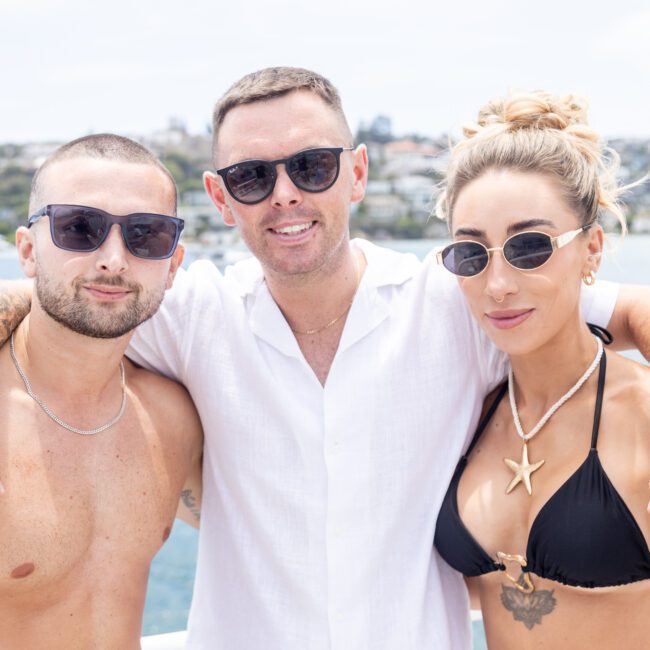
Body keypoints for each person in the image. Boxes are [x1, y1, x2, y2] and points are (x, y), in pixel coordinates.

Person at [0, 69, 649, 649]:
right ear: (221, 198)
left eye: (311, 166)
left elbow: (619, 311)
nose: (284, 194)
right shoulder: (187, 314)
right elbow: (74, 293)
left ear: (357, 173)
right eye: (252, 176)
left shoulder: (463, 294)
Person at [433, 91, 650, 650]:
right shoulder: (472, 413)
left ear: (593, 250)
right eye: (471, 254)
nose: (498, 285)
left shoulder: (643, 415)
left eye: (530, 247)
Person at [0, 134, 203, 649]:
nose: (114, 259)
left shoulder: (172, 417)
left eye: (147, 235)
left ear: (173, 264)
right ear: (27, 250)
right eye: (79, 228)